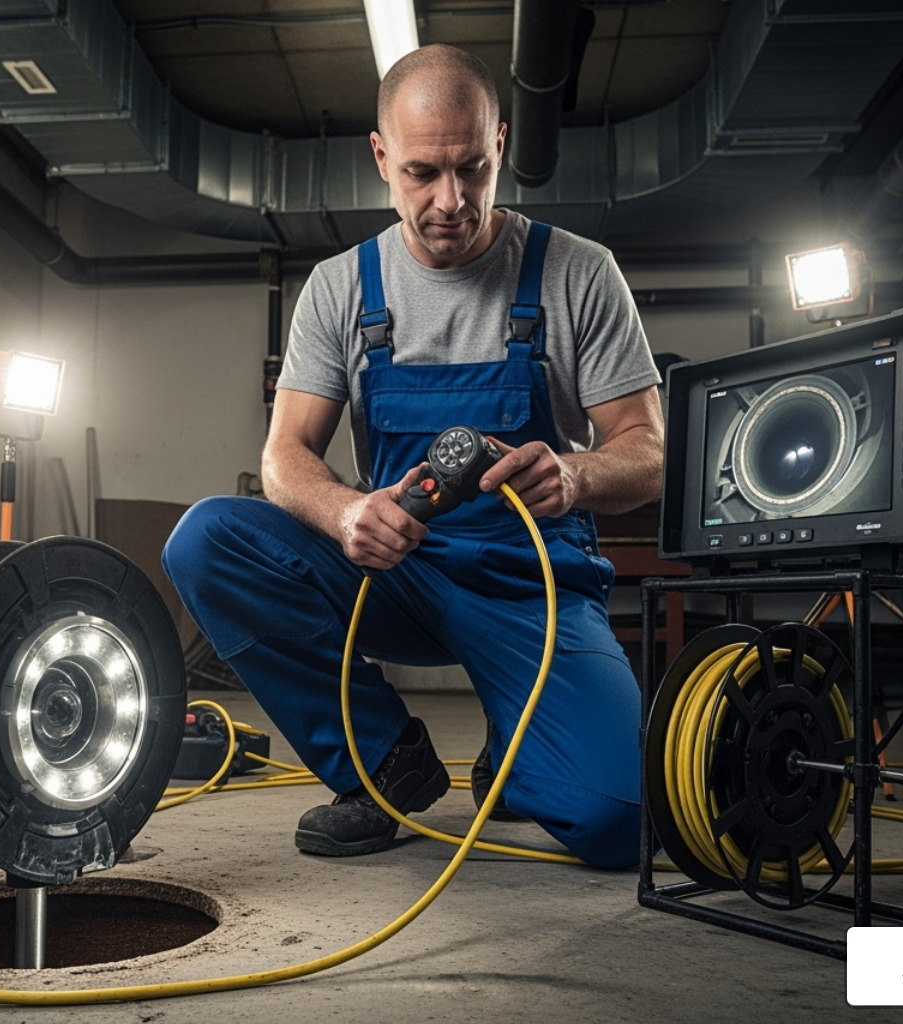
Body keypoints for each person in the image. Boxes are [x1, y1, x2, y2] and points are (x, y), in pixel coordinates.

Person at [163, 44, 664, 869]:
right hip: (396, 572)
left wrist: (575, 474)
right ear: (381, 156)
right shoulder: (341, 286)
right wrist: (346, 513)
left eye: (472, 169)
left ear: (500, 144)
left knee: (616, 820)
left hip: (530, 587)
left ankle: (518, 747)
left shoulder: (578, 272)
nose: (450, 201)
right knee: (208, 541)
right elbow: (285, 455)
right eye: (422, 173)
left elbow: (649, 453)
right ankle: (381, 764)